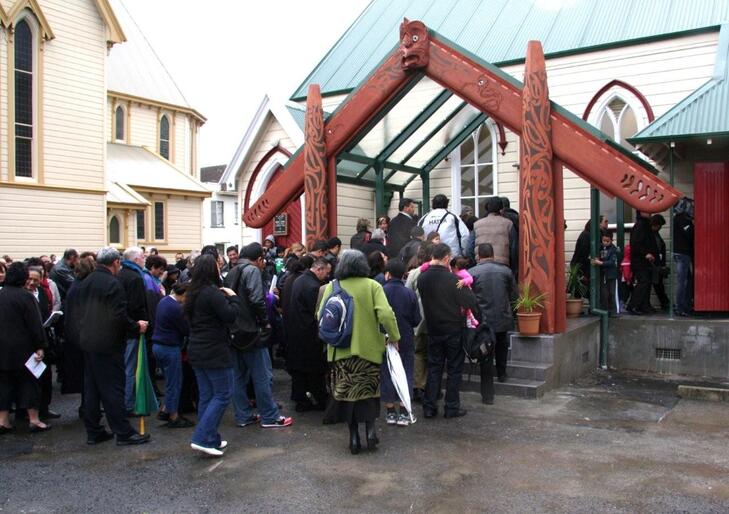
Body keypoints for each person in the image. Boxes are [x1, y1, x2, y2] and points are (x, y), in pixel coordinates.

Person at [319, 250, 400, 454]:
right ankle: (371, 432)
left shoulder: (332, 286)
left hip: (341, 351)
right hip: (368, 351)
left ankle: (353, 437)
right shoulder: (373, 286)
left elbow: (320, 314)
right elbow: (385, 314)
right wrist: (394, 336)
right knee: (369, 393)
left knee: (348, 396)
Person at [75, 247, 150, 446]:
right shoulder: (112, 284)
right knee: (113, 389)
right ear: (116, 262)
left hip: (88, 341)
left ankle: (94, 430)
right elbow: (118, 316)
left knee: (92, 389)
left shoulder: (86, 281)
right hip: (107, 343)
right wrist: (136, 326)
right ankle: (123, 432)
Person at [228, 243, 293, 429]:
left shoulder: (232, 271)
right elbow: (257, 299)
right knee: (262, 375)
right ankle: (270, 416)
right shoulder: (253, 271)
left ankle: (243, 415)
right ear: (259, 259)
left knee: (238, 377)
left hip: (234, 331)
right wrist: (265, 321)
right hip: (252, 331)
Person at [184, 254, 240, 456]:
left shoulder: (193, 292)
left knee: (207, 396)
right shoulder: (212, 293)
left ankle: (210, 437)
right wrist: (233, 297)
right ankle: (201, 437)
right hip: (214, 350)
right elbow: (230, 316)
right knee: (223, 394)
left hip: (197, 349)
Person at [417, 243, 478, 419]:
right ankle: (451, 407)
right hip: (453, 329)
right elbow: (470, 302)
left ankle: (429, 407)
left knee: (434, 368)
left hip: (433, 329)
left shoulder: (422, 278)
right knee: (454, 369)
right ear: (446, 258)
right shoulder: (453, 280)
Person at [0, 262, 49, 434]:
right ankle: (34, 420)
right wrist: (41, 346)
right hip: (24, 348)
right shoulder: (26, 297)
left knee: (4, 384)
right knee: (29, 383)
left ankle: (3, 421)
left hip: (2, 349)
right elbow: (35, 325)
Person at [469, 244, 517, 402]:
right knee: (502, 345)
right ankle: (502, 373)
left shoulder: (472, 273)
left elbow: (469, 298)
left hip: (483, 320)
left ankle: (488, 394)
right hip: (502, 316)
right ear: (493, 254)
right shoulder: (505, 271)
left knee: (486, 354)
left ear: (479, 256)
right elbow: (514, 294)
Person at [287, 258, 331, 412]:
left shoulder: (300, 280)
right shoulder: (313, 287)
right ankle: (319, 400)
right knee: (314, 370)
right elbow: (316, 312)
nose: (327, 276)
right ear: (319, 269)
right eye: (326, 272)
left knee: (300, 370)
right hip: (309, 333)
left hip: (296, 331)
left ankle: (301, 399)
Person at [380, 260, 421, 427]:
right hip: (406, 338)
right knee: (406, 372)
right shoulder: (409, 293)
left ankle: (390, 412)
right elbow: (416, 319)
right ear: (403, 274)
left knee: (387, 373)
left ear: (388, 274)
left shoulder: (381, 291)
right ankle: (404, 412)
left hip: (384, 339)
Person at [152, 282, 193, 428]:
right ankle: (173, 415)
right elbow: (186, 329)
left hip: (158, 346)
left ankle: (166, 409)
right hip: (169, 347)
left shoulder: (164, 301)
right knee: (174, 382)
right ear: (183, 294)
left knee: (170, 381)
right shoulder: (176, 308)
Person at [62, 256, 96, 416]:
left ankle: (87, 405)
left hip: (76, 337)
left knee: (85, 375)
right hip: (84, 338)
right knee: (87, 375)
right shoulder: (83, 288)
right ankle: (87, 407)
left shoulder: (75, 286)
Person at [118, 247, 150, 415]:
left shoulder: (120, 274)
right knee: (131, 368)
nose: (145, 260)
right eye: (143, 257)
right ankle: (129, 404)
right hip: (133, 328)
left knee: (125, 367)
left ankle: (124, 402)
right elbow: (137, 305)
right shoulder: (135, 278)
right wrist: (141, 324)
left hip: (122, 328)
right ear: (136, 259)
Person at [405, 243, 433, 402]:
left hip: (417, 320)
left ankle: (418, 386)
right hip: (434, 319)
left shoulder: (414, 273)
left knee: (418, 353)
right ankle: (429, 386)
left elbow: (408, 294)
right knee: (431, 355)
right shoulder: (438, 272)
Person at [627, 212, 658, 314]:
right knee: (644, 281)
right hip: (640, 260)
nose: (649, 212)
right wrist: (646, 253)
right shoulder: (641, 225)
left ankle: (644, 305)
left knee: (646, 282)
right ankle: (633, 305)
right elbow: (636, 243)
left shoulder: (644, 224)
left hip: (643, 260)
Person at [473, 197, 516, 268]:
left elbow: (469, 249)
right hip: (503, 265)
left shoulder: (477, 224)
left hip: (481, 265)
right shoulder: (508, 223)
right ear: (501, 209)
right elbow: (514, 249)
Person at [673, 198, 695, 316]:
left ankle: (684, 306)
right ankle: (680, 307)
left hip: (682, 253)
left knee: (687, 280)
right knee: (683, 281)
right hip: (682, 254)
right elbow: (689, 233)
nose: (692, 209)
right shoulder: (682, 219)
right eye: (691, 206)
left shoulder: (680, 218)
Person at [591, 230, 618, 316]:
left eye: (607, 241)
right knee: (604, 293)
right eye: (604, 241)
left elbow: (612, 262)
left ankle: (613, 311)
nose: (605, 243)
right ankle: (605, 310)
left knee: (612, 293)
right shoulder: (601, 248)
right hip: (604, 274)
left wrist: (601, 263)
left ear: (611, 240)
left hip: (611, 275)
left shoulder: (613, 249)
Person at [650, 214, 669, 311]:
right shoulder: (653, 234)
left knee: (658, 285)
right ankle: (665, 303)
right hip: (655, 264)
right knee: (658, 285)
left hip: (657, 263)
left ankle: (665, 302)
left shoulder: (655, 234)